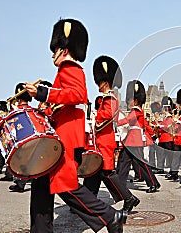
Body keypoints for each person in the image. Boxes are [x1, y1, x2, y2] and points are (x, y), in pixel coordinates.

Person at [25, 18, 126, 233]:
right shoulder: (64, 70)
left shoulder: (70, 67)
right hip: (62, 130)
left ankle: (110, 216)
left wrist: (43, 92)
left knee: (64, 184)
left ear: (64, 48)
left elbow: (77, 94)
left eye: (55, 49)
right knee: (42, 183)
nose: (52, 54)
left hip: (66, 134)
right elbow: (62, 101)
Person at [83, 55, 139, 213]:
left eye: (99, 81)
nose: (98, 85)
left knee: (107, 173)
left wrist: (93, 119)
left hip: (104, 141)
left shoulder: (110, 98)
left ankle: (129, 198)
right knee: (93, 172)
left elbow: (106, 117)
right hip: (100, 140)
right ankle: (87, 200)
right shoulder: (105, 98)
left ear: (105, 82)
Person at [116, 80, 160, 193]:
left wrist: (117, 121)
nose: (128, 103)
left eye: (129, 100)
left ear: (135, 100)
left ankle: (154, 183)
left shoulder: (136, 111)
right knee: (123, 162)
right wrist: (153, 134)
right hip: (131, 140)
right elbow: (145, 124)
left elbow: (128, 120)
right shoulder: (137, 111)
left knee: (142, 164)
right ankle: (119, 184)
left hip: (135, 141)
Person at [8, 82, 34, 192]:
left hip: (20, 140)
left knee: (21, 162)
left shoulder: (15, 111)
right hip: (32, 138)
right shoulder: (32, 110)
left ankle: (20, 183)